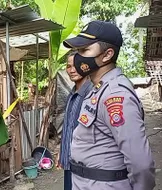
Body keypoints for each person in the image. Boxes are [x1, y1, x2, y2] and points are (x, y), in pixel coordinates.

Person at [62, 20, 156, 190]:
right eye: (77, 50)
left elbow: (140, 164)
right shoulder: (96, 90)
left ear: (107, 55)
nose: (77, 57)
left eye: (84, 50)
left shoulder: (116, 95)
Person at [57, 51, 93, 190]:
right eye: (68, 66)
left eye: (76, 65)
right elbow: (68, 127)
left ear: (85, 66)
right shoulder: (72, 95)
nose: (71, 70)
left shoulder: (91, 94)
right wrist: (62, 151)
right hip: (69, 163)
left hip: (83, 165)